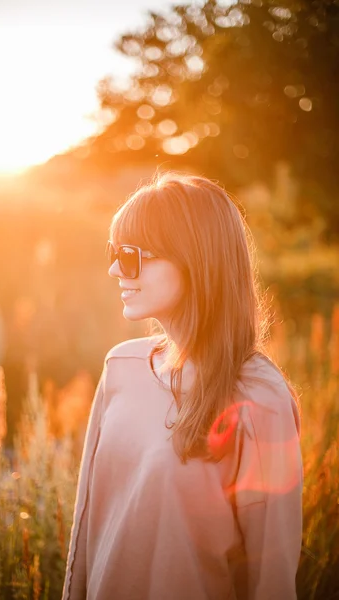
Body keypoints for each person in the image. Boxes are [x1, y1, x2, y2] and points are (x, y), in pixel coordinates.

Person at [61, 171, 303, 600]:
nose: (116, 269)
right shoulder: (121, 367)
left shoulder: (260, 397)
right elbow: (84, 533)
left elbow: (271, 578)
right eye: (114, 252)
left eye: (132, 255)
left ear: (194, 260)